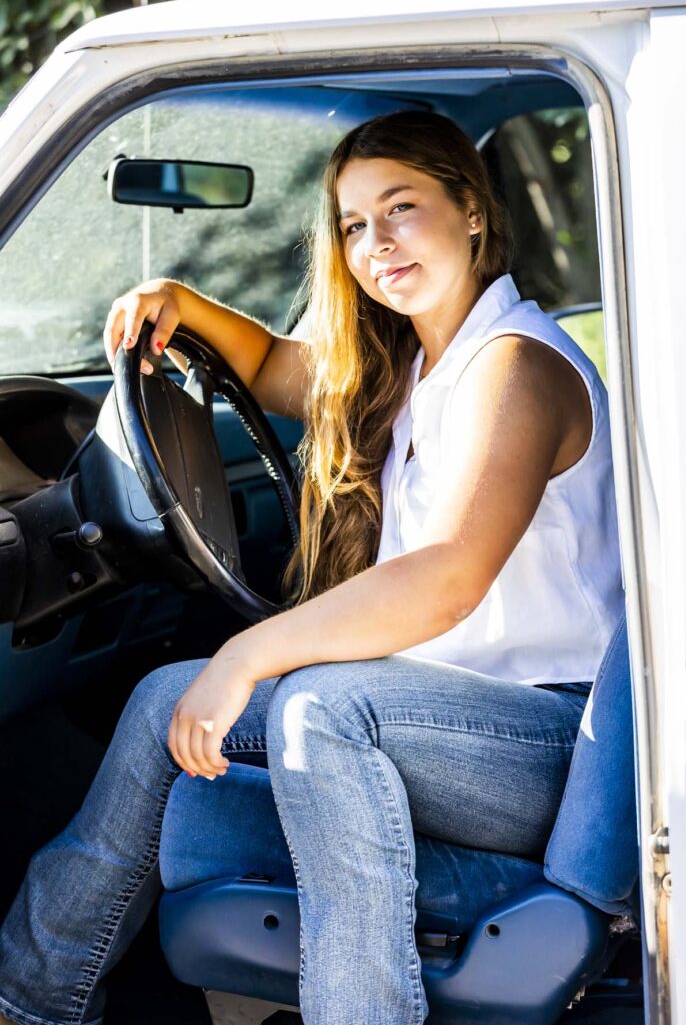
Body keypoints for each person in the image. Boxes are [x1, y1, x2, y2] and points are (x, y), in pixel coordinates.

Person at [0, 111, 623, 1025]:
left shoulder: (515, 368)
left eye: (402, 208)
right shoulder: (419, 365)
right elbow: (271, 367)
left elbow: (448, 575)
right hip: (457, 716)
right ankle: (31, 996)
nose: (377, 244)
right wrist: (180, 300)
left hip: (552, 740)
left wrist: (248, 656)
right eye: (352, 225)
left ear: (474, 212)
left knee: (319, 706)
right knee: (159, 702)